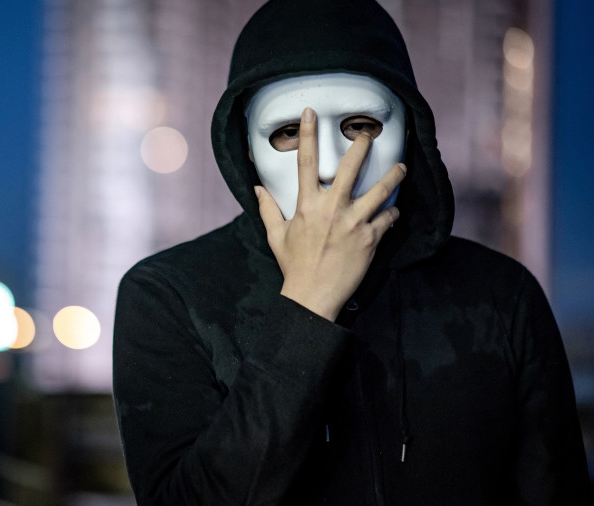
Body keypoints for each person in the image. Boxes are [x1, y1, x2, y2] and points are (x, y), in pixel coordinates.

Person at [112, 0, 593, 504]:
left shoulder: (500, 296)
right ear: (246, 149)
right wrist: (306, 307)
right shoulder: (171, 294)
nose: (326, 165)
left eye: (361, 126)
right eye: (288, 132)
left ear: (410, 135)